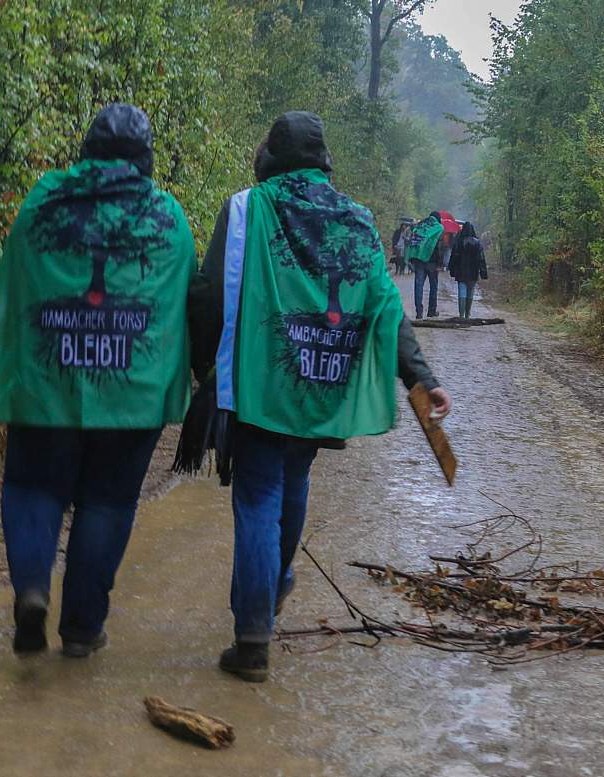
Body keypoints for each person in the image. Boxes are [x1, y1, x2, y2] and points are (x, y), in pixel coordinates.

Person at [180, 111, 452, 683]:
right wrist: (420, 378)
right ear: (323, 159)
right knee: (294, 480)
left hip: (258, 379)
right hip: (319, 377)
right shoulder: (355, 219)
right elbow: (384, 305)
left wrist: (205, 369)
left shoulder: (246, 209)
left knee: (257, 498)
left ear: (271, 156)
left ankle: (253, 635)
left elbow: (208, 293)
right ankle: (276, 583)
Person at [0, 104, 195, 658]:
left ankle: (31, 589)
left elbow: (16, 286)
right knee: (108, 503)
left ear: (86, 149)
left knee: (33, 487)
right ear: (146, 158)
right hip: (132, 393)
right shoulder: (167, 216)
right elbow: (181, 302)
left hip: (48, 383)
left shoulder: (44, 200)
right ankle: (82, 629)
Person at [404, 211, 444, 319]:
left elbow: (413, 241)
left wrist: (411, 258)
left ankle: (419, 313)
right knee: (433, 287)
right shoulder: (439, 228)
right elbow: (439, 247)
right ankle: (431, 311)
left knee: (418, 286)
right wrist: (441, 263)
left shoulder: (421, 225)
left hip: (419, 260)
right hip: (432, 262)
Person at [448, 221, 488, 319]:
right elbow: (481, 259)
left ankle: (461, 315)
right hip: (473, 273)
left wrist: (451, 269)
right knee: (470, 292)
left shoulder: (458, 242)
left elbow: (453, 258)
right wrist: (483, 273)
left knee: (462, 292)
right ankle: (467, 314)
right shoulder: (478, 243)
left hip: (461, 272)